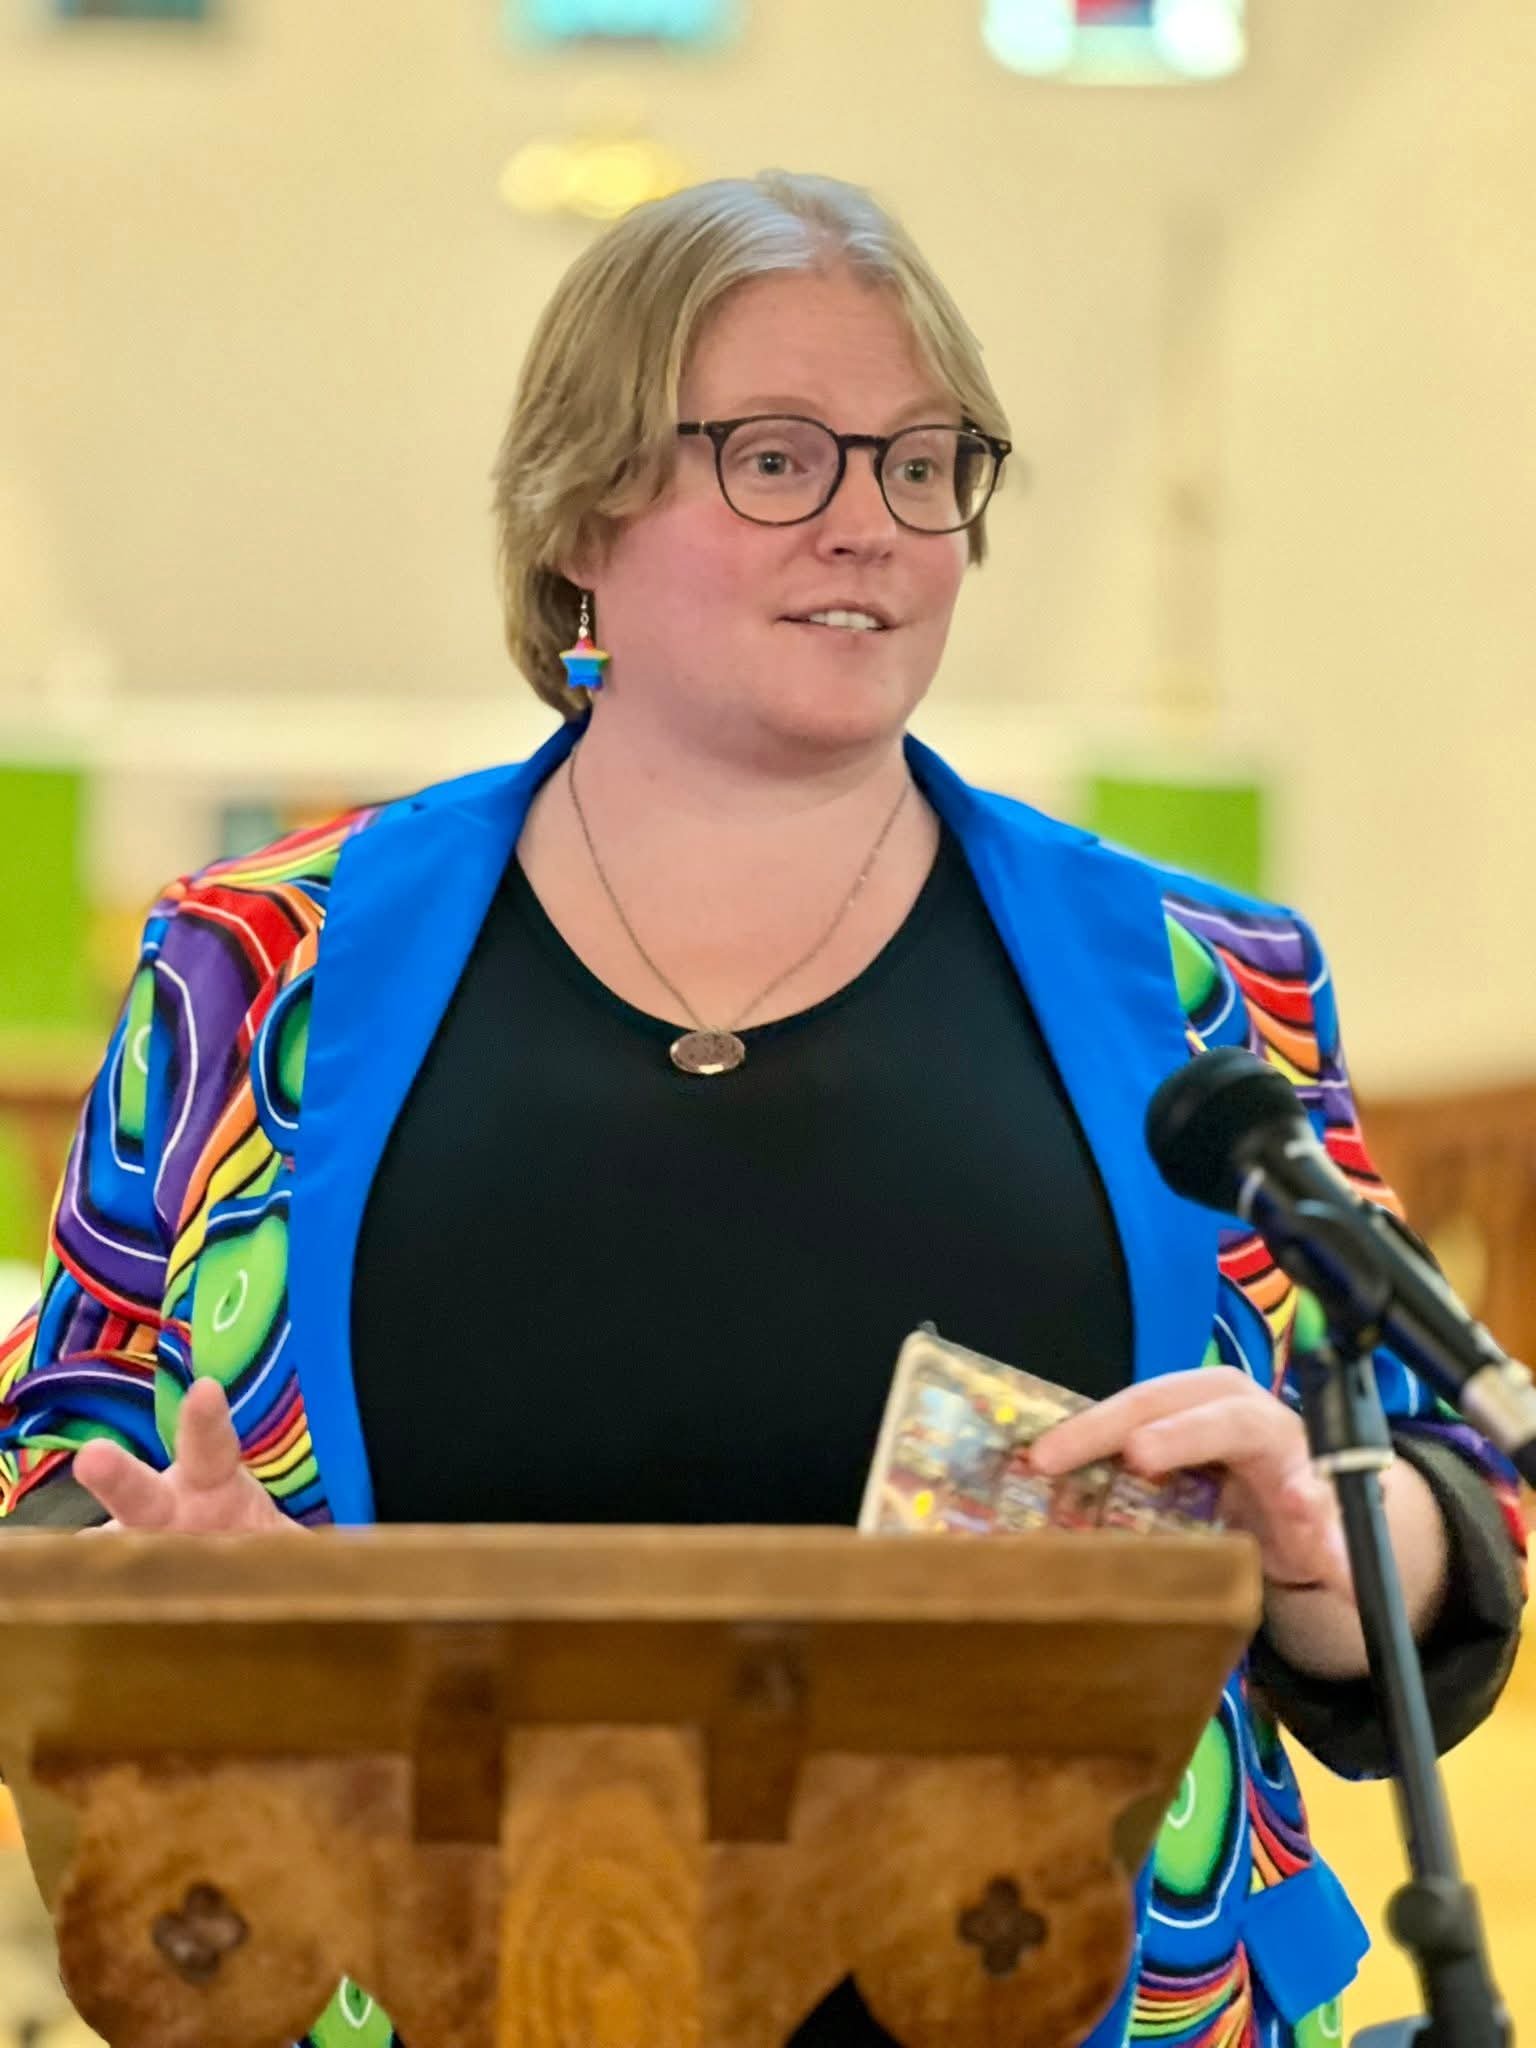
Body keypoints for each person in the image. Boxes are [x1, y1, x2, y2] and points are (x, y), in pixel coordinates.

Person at [0, 170, 1524, 2048]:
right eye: (781, 460)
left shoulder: (1202, 977)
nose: (872, 526)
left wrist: (1315, 1550)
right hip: (420, 1976)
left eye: (921, 461)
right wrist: (193, 1606)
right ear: (577, 518)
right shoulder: (258, 971)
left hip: (1082, 1997)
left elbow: (1445, 1516)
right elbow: (57, 1473)